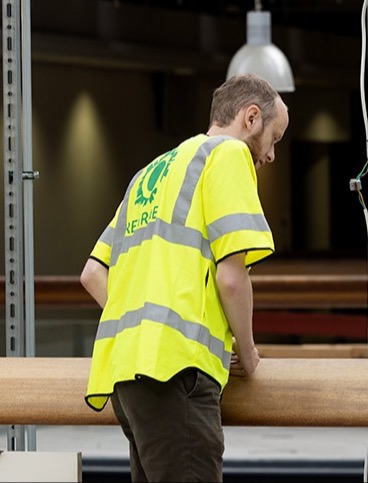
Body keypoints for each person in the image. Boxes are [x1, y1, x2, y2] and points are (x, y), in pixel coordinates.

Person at [79, 73, 290, 482]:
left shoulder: (150, 172)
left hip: (127, 376)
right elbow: (232, 276)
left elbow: (92, 274)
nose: (271, 156)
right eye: (275, 138)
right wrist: (248, 354)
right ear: (251, 118)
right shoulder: (228, 155)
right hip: (177, 376)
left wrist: (146, 326)